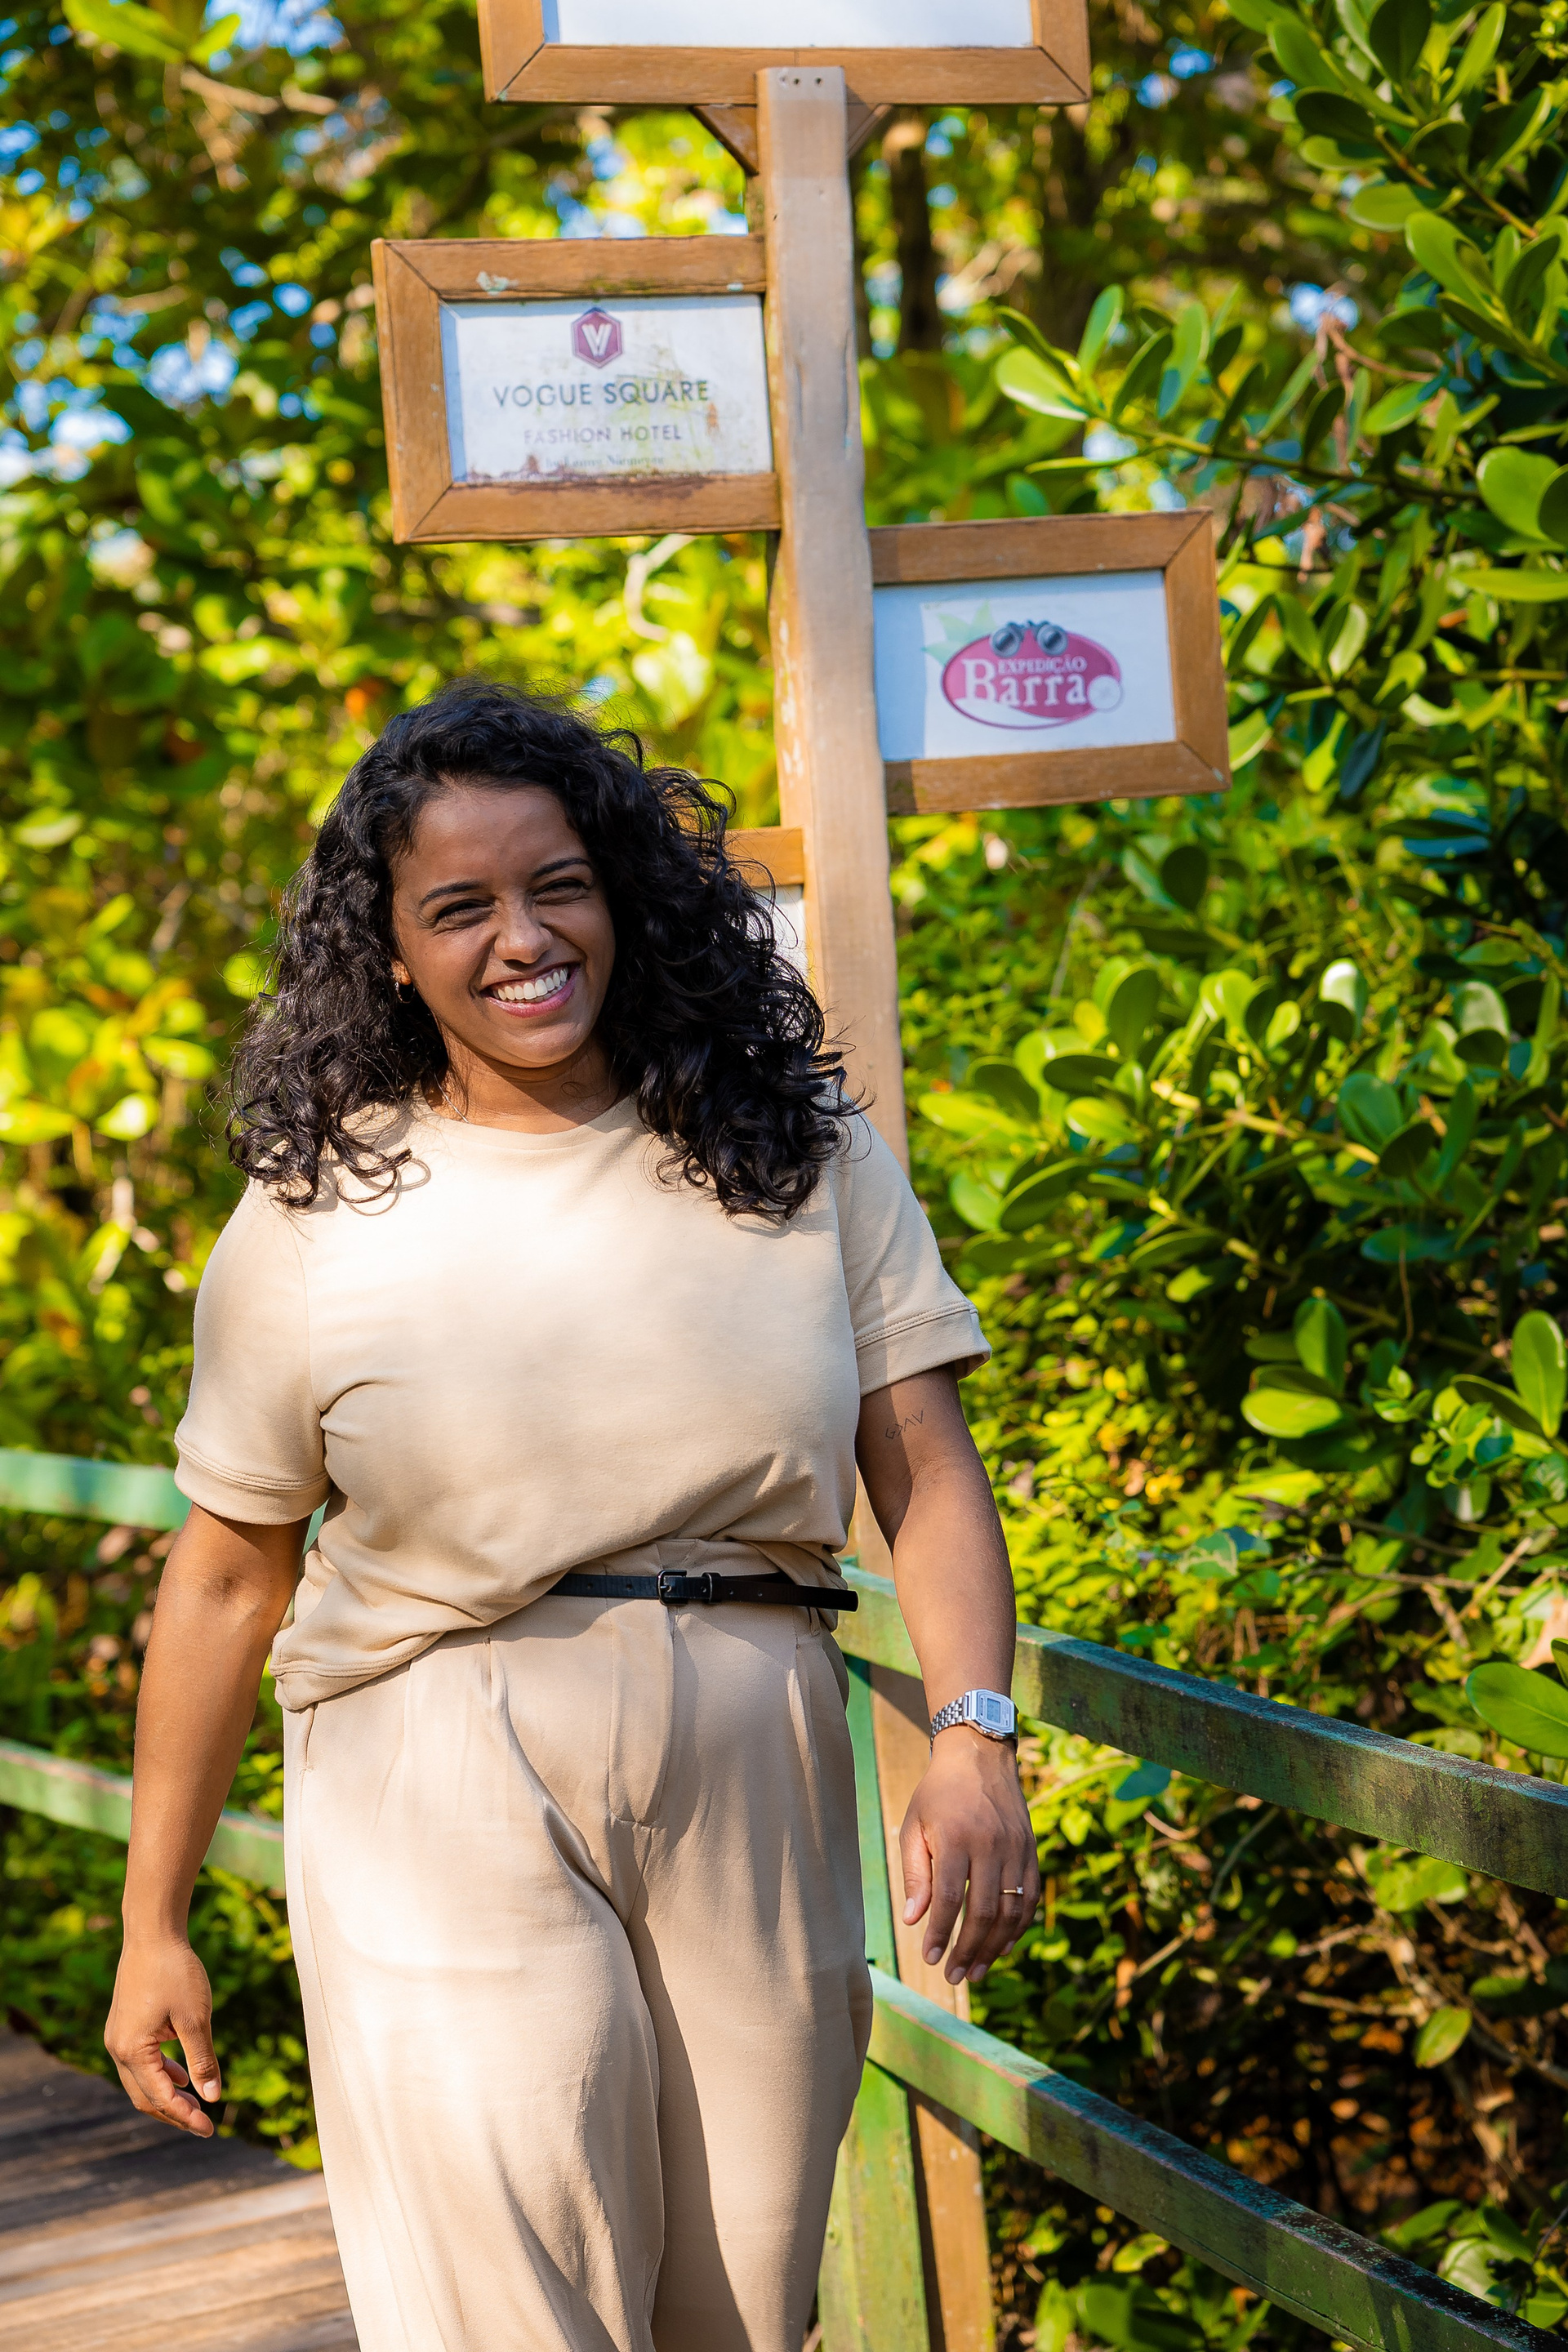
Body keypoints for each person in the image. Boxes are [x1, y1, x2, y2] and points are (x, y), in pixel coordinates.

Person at [104, 681, 1039, 2352]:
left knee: (742, 2309)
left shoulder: (796, 1146)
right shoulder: (316, 1206)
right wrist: (152, 1923)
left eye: (558, 886)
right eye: (459, 907)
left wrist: (976, 1735)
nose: (522, 939)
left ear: (621, 893)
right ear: (392, 952)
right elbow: (228, 1580)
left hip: (758, 1729)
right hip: (439, 1744)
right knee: (517, 2307)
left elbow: (929, 1467)